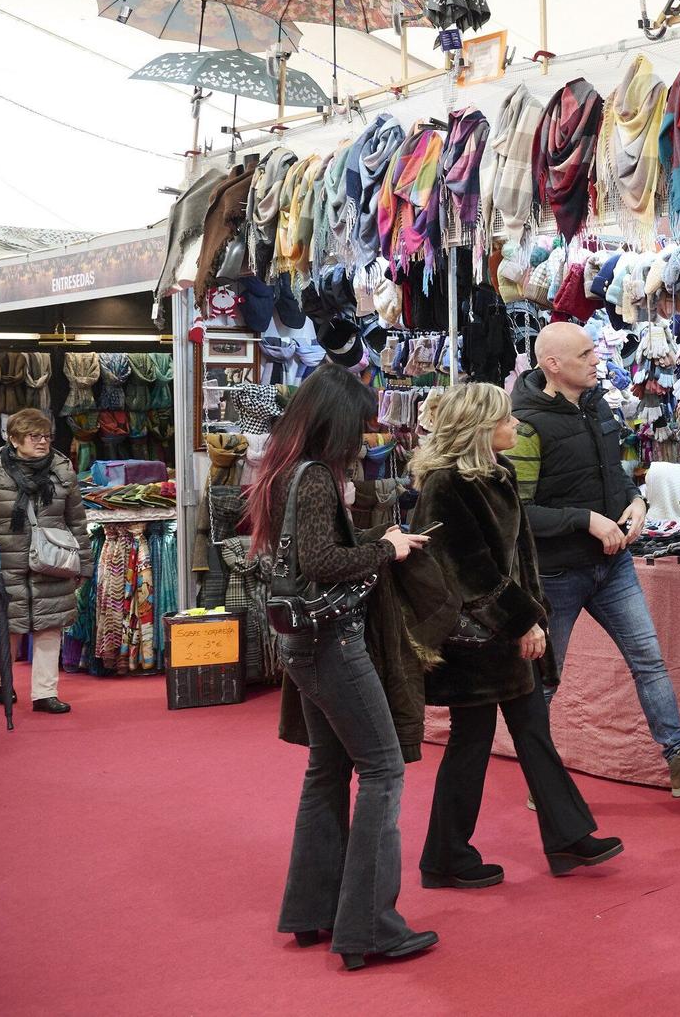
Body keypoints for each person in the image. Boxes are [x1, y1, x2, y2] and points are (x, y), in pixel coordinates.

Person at [246, 366, 438, 970]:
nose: (364, 435)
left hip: (304, 643)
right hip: (332, 642)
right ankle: (369, 925)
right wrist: (388, 547)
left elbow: (307, 557)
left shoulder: (281, 471)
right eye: (357, 424)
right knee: (382, 769)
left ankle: (314, 912)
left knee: (326, 771)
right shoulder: (313, 479)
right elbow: (326, 562)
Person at [409, 383, 623, 889]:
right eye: (506, 419)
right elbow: (469, 570)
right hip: (475, 641)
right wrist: (523, 620)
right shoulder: (447, 484)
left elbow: (516, 559)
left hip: (504, 633)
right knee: (473, 741)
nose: (516, 427)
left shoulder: (497, 475)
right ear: (481, 428)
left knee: (531, 732)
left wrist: (530, 616)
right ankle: (445, 856)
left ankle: (566, 834)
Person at [507, 321, 680, 798]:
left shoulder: (597, 405)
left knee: (648, 661)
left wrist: (636, 500)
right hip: (556, 572)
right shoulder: (525, 425)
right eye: (586, 352)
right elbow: (519, 512)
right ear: (553, 365)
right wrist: (584, 520)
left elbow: (616, 473)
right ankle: (543, 780)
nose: (597, 358)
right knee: (547, 679)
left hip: (612, 566)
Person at [0, 408, 89, 714]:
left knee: (50, 625)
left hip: (52, 564)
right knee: (7, 627)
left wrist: (84, 563)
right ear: (14, 440)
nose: (43, 442)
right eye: (34, 436)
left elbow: (77, 523)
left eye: (47, 436)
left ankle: (45, 693)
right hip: (4, 565)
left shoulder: (62, 471)